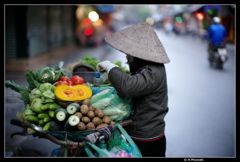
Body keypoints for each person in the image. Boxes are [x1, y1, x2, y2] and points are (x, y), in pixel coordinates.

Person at [96, 23, 170, 157]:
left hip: (148, 138)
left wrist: (110, 66)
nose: (126, 57)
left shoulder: (153, 71)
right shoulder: (145, 67)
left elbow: (128, 87)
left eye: (128, 54)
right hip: (139, 133)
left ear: (138, 54)